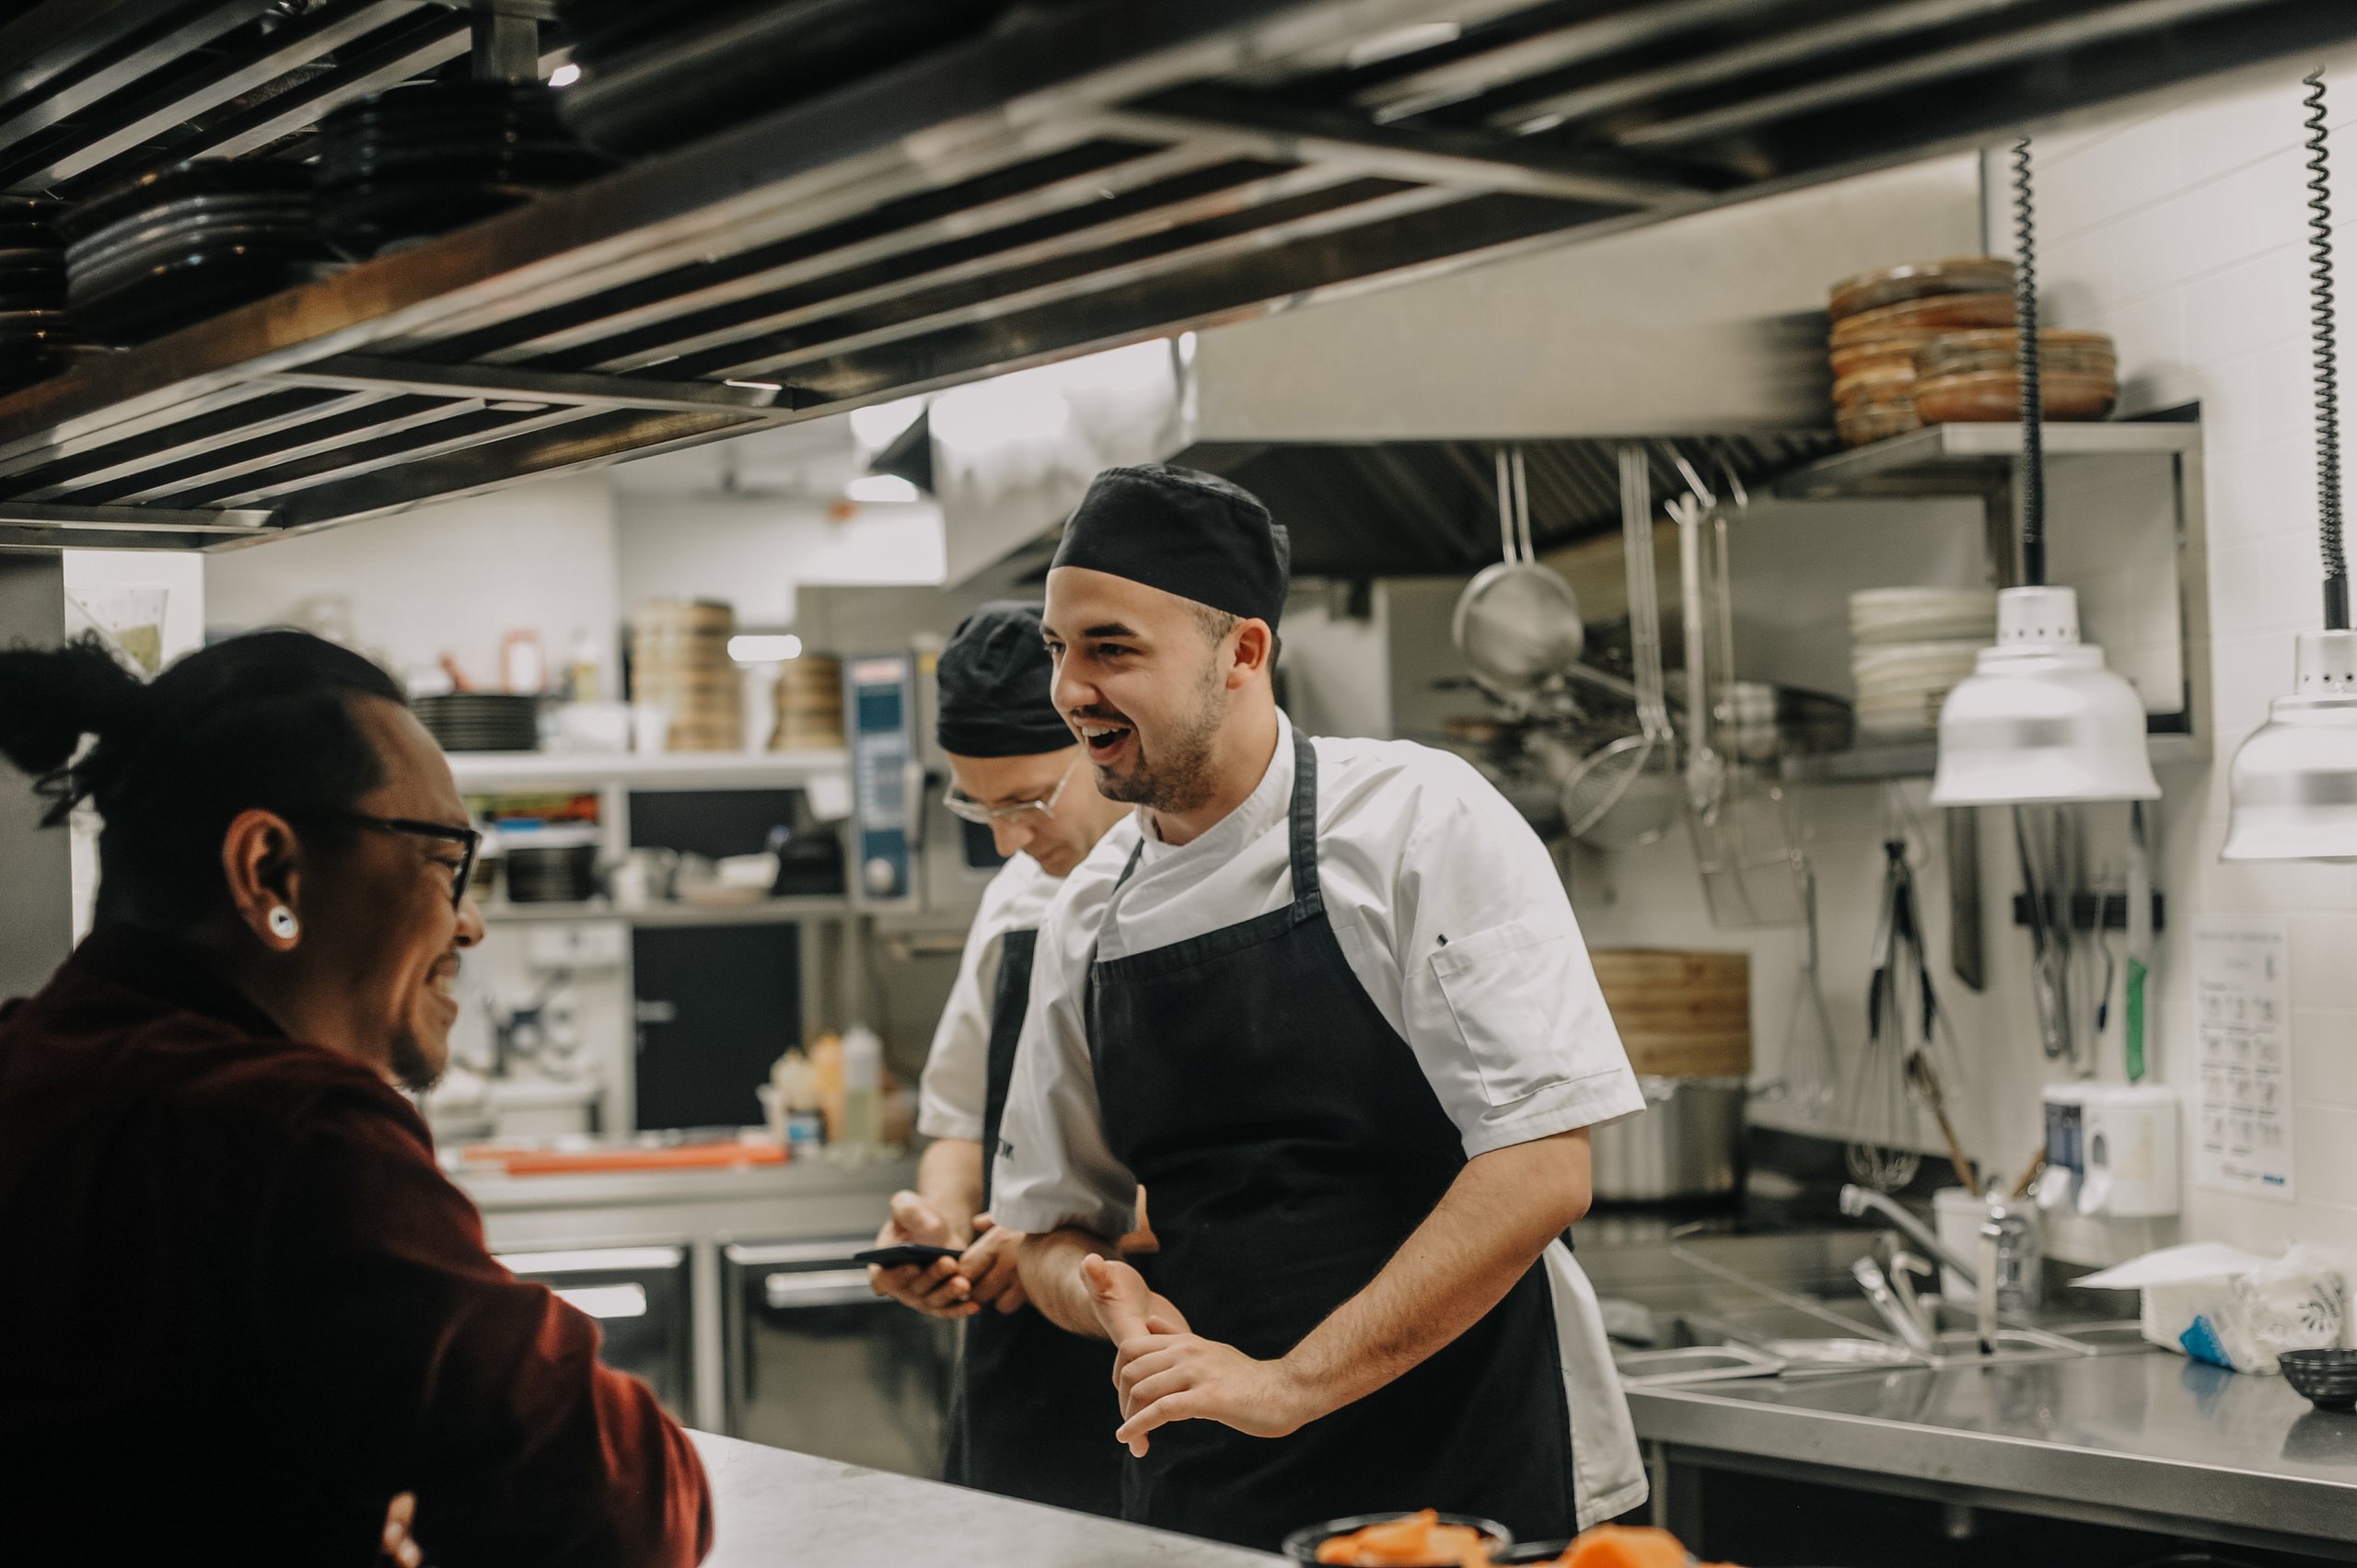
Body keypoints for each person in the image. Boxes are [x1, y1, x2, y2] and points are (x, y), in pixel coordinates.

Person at [990, 464, 1650, 1551]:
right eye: (1057, 649)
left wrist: (1294, 1381)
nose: (1068, 688)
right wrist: (1103, 1292)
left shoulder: (1416, 820)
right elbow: (1046, 1228)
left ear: (1243, 652)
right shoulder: (1087, 916)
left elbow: (1540, 1166)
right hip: (1212, 1472)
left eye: (1110, 647)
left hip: (1467, 1462)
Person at [0, 631, 712, 1568]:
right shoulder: (289, 1128)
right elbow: (623, 1505)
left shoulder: (25, 1059)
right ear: (270, 872)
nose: (469, 918)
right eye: (443, 857)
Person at [865, 601, 1134, 1514]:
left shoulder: (1204, 880)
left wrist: (1052, 1240)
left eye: (1025, 800)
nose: (1006, 839)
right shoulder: (1021, 895)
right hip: (1027, 1373)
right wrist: (933, 1228)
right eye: (980, 809)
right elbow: (957, 1117)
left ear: (1103, 740)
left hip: (1172, 1347)